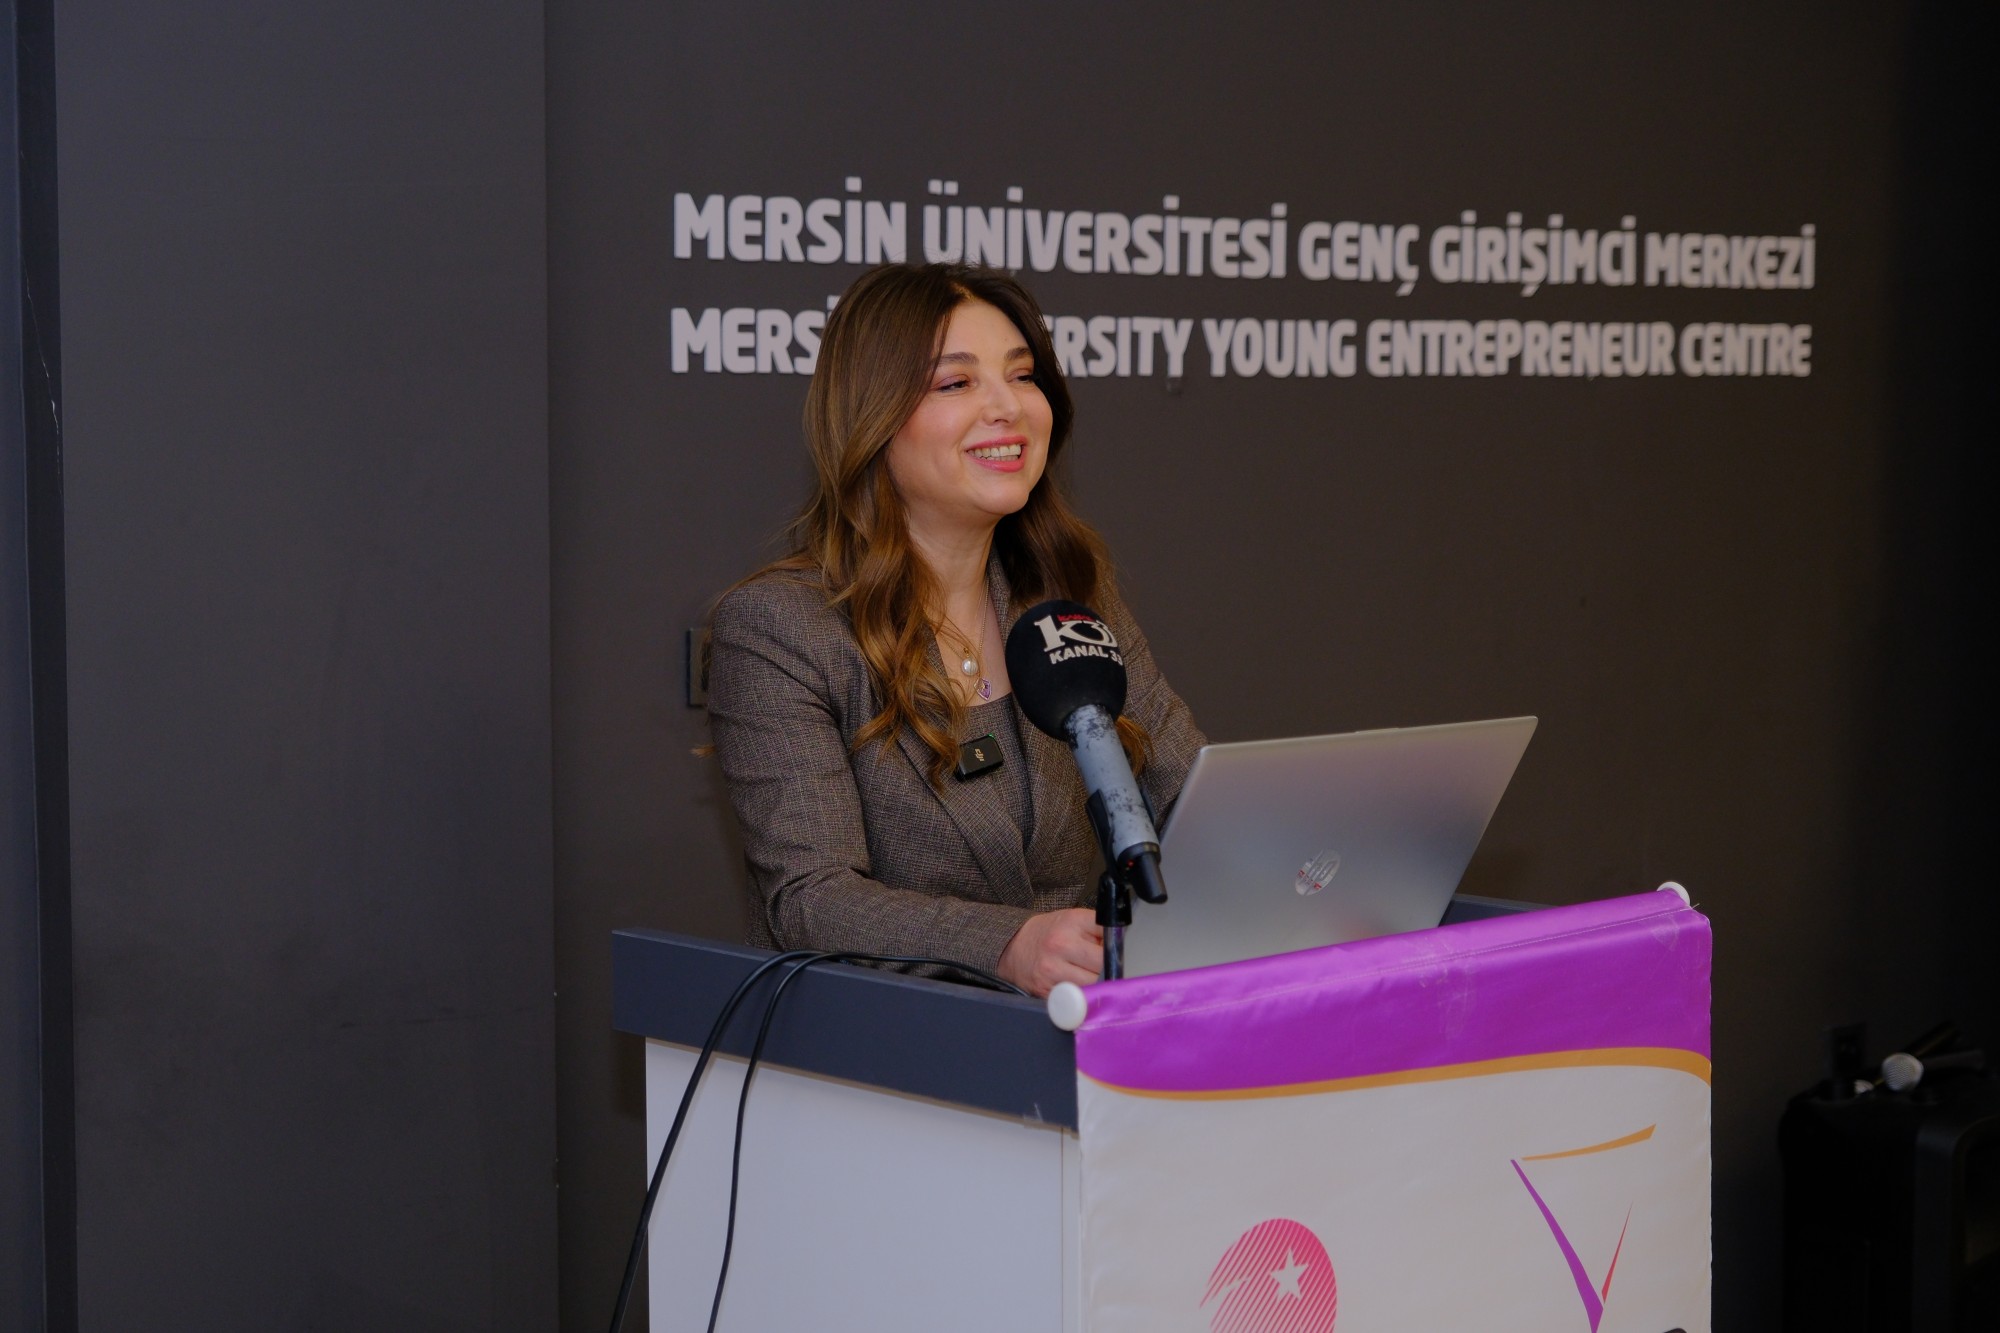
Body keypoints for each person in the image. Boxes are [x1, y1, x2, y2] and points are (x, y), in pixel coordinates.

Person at [706, 263, 1203, 998]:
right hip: (886, 1049)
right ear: (873, 418)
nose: (1008, 406)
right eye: (956, 383)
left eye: (1022, 376)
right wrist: (1006, 945)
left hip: (1078, 1043)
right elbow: (812, 898)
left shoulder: (1071, 602)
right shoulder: (782, 629)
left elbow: (1189, 802)